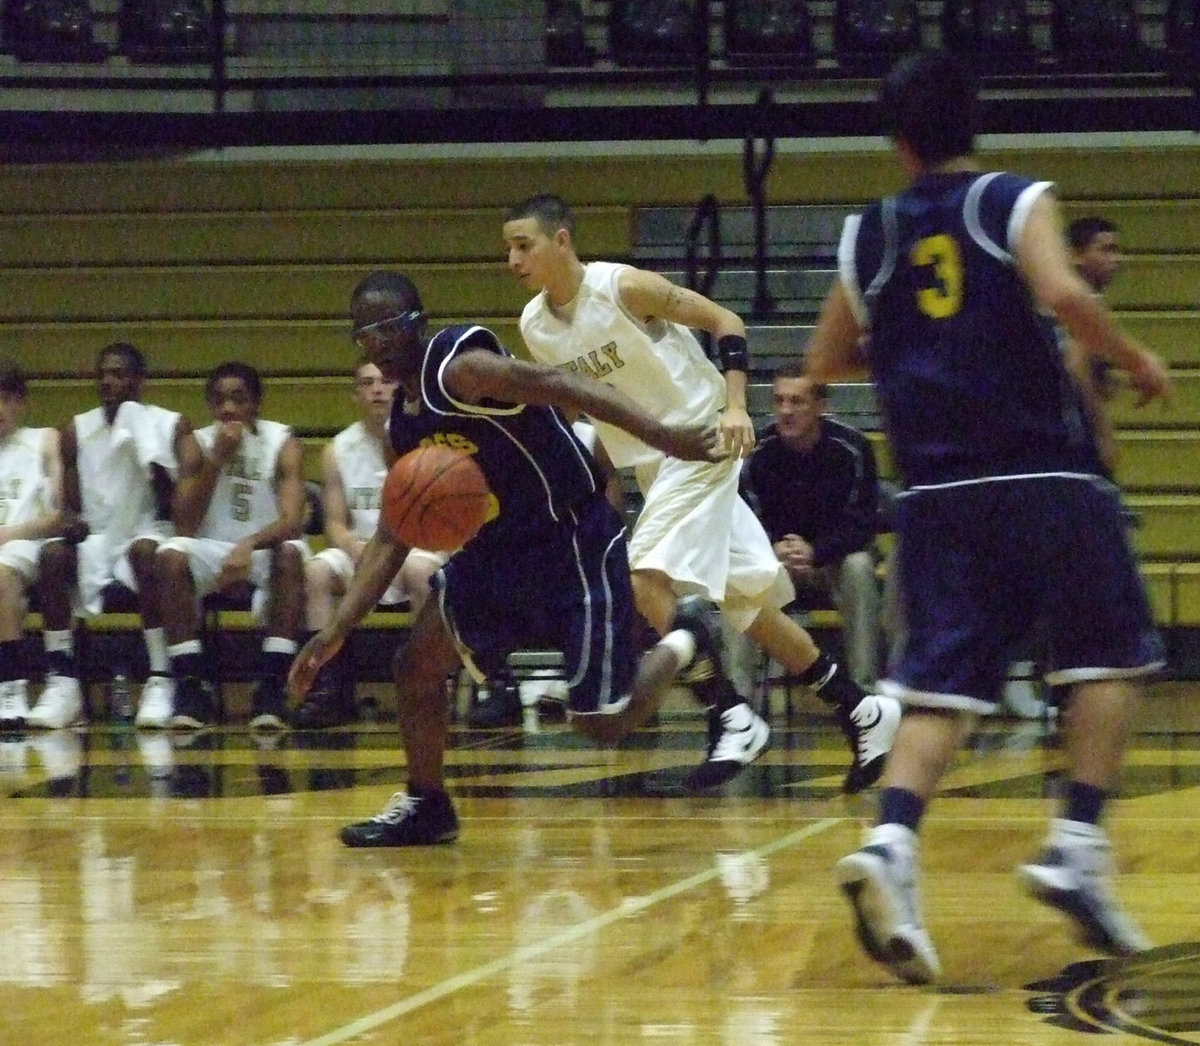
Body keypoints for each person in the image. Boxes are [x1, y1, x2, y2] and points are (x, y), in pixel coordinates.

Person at [807, 51, 1172, 984]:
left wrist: (922, 349)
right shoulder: (1016, 199)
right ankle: (1077, 843)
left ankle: (891, 842)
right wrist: (1130, 356)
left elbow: (829, 359)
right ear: (977, 121)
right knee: (1111, 656)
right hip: (1044, 474)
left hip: (933, 492)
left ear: (897, 142)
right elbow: (1059, 292)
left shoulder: (870, 233)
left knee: (940, 687)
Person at [288, 270, 737, 847]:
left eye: (383, 328)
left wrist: (663, 435)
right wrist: (334, 633)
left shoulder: (459, 368)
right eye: (362, 334)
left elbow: (560, 382)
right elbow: (392, 535)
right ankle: (428, 804)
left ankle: (688, 639)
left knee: (599, 722)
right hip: (496, 554)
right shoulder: (404, 424)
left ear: (414, 324)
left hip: (570, 538)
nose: (373, 343)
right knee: (414, 666)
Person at [502, 194, 901, 793]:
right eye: (507, 247)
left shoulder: (624, 287)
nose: (512, 259)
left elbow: (727, 323)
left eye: (523, 244)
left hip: (702, 439)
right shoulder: (535, 326)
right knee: (749, 608)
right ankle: (862, 709)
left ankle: (729, 713)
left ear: (562, 241)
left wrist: (738, 406)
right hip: (651, 465)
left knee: (641, 581)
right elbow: (593, 408)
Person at [29, 342, 191, 730]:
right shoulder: (75, 430)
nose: (107, 381)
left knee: (145, 551)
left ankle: (160, 676)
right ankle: (62, 681)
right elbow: (70, 507)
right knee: (51, 556)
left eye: (118, 374)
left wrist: (156, 466)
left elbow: (179, 507)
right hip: (100, 539)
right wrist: (71, 523)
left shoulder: (170, 425)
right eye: (102, 373)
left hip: (150, 530)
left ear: (140, 382)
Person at [156, 361, 308, 731]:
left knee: (292, 554)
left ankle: (271, 686)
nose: (228, 409)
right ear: (210, 405)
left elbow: (292, 521)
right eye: (220, 400)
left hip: (264, 548)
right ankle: (191, 684)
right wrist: (217, 460)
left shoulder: (282, 443)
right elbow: (185, 524)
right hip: (211, 548)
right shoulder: (197, 445)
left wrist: (250, 543)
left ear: (256, 403)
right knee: (169, 556)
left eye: (238, 399)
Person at [295, 358, 445, 729]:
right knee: (316, 571)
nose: (377, 389)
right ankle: (328, 690)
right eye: (367, 383)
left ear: (400, 389)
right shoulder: (337, 450)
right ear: (356, 394)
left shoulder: (424, 440)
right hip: (363, 552)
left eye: (385, 381)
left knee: (421, 569)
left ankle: (430, 683)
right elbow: (334, 523)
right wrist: (354, 547)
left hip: (417, 549)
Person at [741, 365, 883, 691]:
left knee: (860, 566)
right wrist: (773, 547)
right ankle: (737, 703)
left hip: (834, 561)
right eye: (779, 401)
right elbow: (742, 520)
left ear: (821, 407)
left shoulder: (854, 449)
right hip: (776, 562)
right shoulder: (755, 454)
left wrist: (816, 551)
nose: (786, 411)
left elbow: (863, 523)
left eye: (797, 402)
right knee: (741, 576)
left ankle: (865, 693)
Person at [0, 361, 66, 729]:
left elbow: (59, 514)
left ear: (21, 403)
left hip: (26, 542)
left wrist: (8, 534)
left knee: (1, 574)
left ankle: (10, 687)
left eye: (6, 399)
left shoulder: (44, 438)